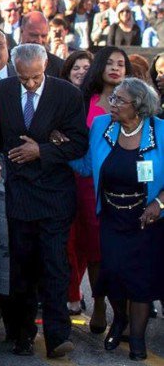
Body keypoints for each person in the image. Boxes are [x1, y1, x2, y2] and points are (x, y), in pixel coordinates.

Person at [0, 43, 88, 359]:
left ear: (45, 69)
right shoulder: (1, 92)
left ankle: (57, 336)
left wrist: (41, 150)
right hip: (19, 193)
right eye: (23, 78)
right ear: (14, 70)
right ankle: (22, 333)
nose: (29, 84)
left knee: (54, 264)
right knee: (22, 266)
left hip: (54, 192)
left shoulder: (67, 94)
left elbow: (79, 144)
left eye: (35, 78)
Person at [70, 78, 164, 361]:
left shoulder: (160, 131)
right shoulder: (101, 127)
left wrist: (159, 203)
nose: (112, 105)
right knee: (112, 275)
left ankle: (137, 340)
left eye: (119, 101)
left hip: (148, 220)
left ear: (137, 106)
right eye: (112, 99)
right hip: (112, 217)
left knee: (141, 280)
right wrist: (60, 150)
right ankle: (119, 319)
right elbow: (86, 166)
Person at [67, 47, 131, 328]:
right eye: (110, 63)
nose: (116, 68)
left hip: (127, 184)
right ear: (100, 67)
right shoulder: (84, 101)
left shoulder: (136, 102)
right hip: (88, 184)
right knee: (94, 249)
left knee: (124, 249)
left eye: (121, 64)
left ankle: (125, 312)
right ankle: (99, 305)